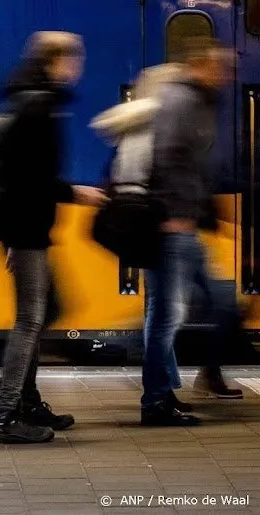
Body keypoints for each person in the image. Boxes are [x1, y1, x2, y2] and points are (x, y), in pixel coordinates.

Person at [0, 31, 106, 444]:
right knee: (30, 320)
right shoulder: (38, 106)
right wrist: (74, 192)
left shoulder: (33, 101)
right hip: (28, 229)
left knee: (39, 315)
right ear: (57, 62)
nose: (79, 67)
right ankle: (3, 418)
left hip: (25, 229)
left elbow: (18, 178)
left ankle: (27, 402)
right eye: (76, 59)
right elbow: (29, 180)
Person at [142, 37, 240, 426]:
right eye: (223, 68)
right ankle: (156, 402)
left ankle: (175, 388)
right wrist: (173, 212)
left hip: (183, 225)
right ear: (202, 65)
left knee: (208, 305)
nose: (228, 75)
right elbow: (166, 155)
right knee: (167, 316)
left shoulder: (195, 100)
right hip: (173, 225)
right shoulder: (181, 101)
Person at [90, 63, 195, 414]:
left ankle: (164, 388)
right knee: (168, 314)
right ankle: (157, 397)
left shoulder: (134, 123)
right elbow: (167, 174)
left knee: (159, 311)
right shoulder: (159, 123)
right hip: (160, 223)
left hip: (143, 222)